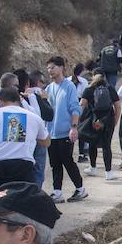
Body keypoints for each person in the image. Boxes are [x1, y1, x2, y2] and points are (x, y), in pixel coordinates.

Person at [0, 86, 49, 193]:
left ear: (0, 101)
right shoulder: (33, 117)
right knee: (21, 203)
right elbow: (46, 142)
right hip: (23, 166)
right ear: (19, 100)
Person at [43, 56, 86, 203]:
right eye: (48, 68)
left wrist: (74, 127)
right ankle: (57, 192)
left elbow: (75, 108)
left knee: (67, 160)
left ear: (61, 68)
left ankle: (80, 189)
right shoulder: (48, 88)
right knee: (55, 162)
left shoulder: (69, 86)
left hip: (65, 131)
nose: (50, 70)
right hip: (51, 132)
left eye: (53, 67)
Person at [78, 70, 119, 181]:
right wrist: (115, 120)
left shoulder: (89, 89)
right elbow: (117, 105)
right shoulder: (110, 88)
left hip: (93, 120)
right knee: (106, 145)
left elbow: (81, 104)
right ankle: (108, 172)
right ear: (104, 77)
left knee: (92, 143)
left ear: (93, 76)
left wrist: (78, 120)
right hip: (107, 120)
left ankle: (93, 167)